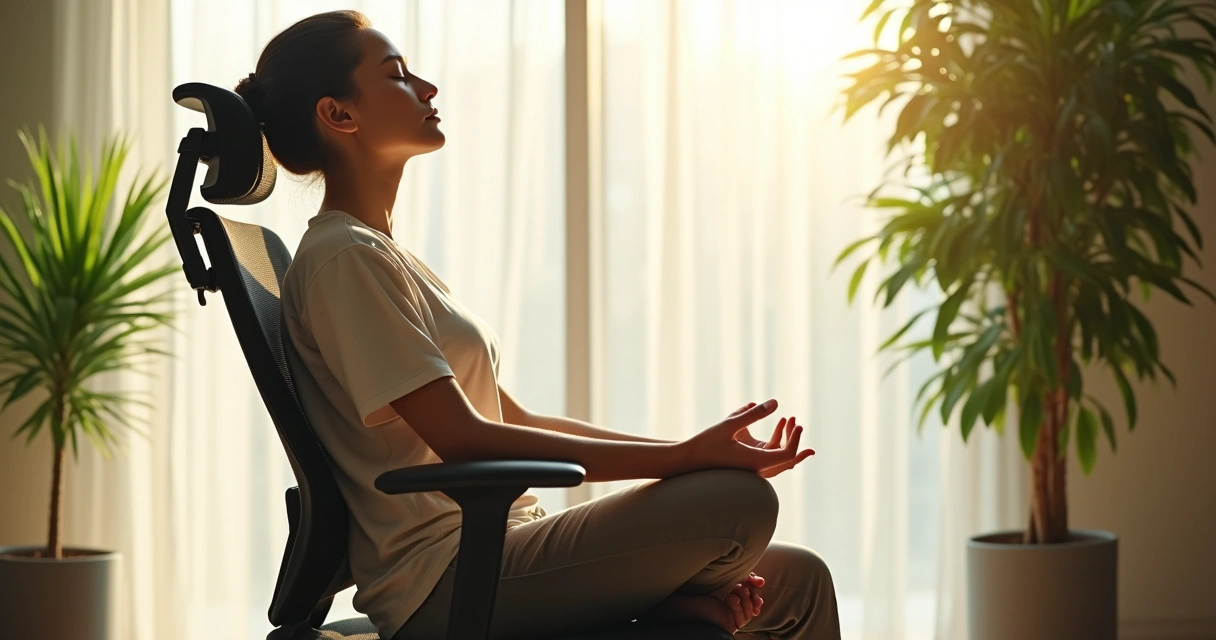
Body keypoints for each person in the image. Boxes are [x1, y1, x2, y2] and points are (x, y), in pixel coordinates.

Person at [236, 10, 840, 640]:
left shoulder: (381, 253)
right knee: (737, 504)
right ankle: (669, 604)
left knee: (800, 579)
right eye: (397, 76)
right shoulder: (344, 260)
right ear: (340, 115)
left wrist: (687, 451)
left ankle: (670, 603)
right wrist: (680, 462)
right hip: (444, 579)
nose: (428, 88)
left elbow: (512, 421)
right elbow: (467, 440)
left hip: (508, 546)